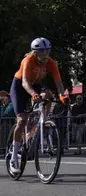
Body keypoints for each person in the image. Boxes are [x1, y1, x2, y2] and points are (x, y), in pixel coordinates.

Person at [9, 37, 65, 173]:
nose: (46, 56)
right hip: (20, 86)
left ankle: (43, 121)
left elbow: (58, 83)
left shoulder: (51, 63)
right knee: (22, 120)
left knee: (48, 95)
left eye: (47, 52)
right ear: (35, 53)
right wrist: (33, 94)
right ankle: (13, 157)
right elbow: (25, 83)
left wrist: (63, 96)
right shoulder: (28, 60)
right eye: (42, 53)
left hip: (35, 84)